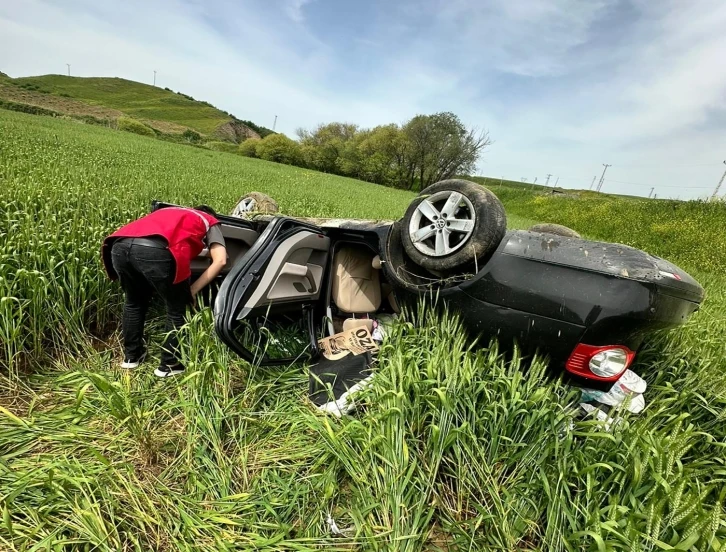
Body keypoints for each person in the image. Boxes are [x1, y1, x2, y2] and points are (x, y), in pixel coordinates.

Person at [101, 205, 227, 377]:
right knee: (177, 308)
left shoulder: (168, 212)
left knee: (134, 302)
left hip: (118, 246)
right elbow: (220, 260)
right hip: (156, 250)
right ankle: (169, 365)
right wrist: (192, 290)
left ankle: (132, 358)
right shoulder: (209, 220)